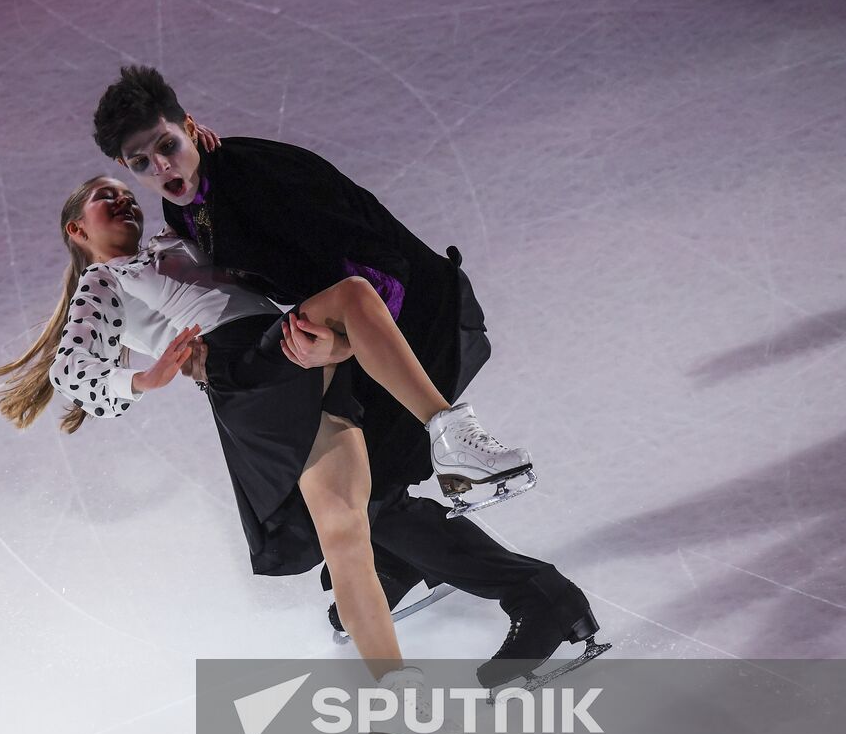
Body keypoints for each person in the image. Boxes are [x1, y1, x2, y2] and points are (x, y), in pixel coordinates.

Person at [0, 176, 538, 734]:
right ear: (78, 230)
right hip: (246, 367)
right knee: (352, 297)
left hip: (286, 358)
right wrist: (148, 378)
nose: (123, 200)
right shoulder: (103, 280)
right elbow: (73, 369)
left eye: (126, 192)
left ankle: (395, 724)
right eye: (104, 197)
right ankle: (452, 437)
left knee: (347, 535)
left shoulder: (172, 243)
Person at [90, 66, 603, 689]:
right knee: (352, 493)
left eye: (167, 145)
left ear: (191, 127)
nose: (161, 169)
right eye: (140, 162)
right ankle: (400, 563)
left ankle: (541, 597)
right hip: (361, 339)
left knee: (368, 494)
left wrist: (334, 341)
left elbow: (376, 269)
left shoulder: (257, 179)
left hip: (413, 318)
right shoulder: (198, 200)